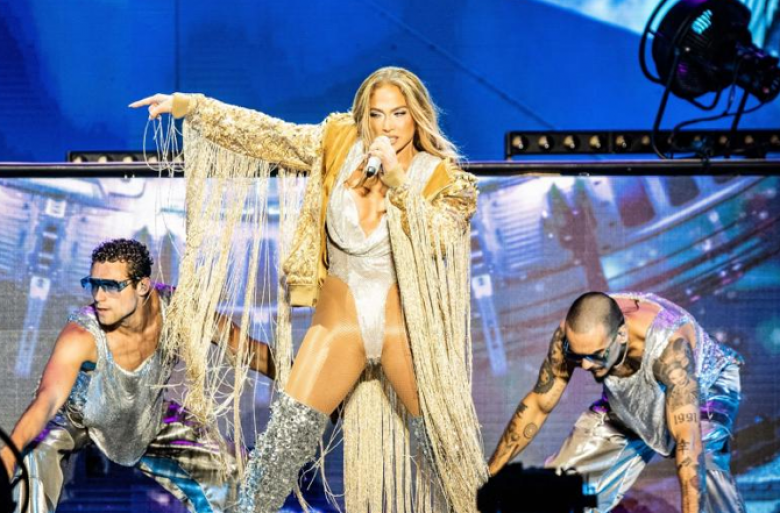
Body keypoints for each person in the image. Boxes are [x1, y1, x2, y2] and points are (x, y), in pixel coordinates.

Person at [130, 66, 487, 513]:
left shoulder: (443, 178)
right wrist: (193, 107)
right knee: (276, 455)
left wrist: (398, 180)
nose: (387, 126)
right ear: (363, 116)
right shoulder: (337, 143)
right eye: (376, 114)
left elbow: (441, 238)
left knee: (446, 455)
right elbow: (267, 134)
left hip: (403, 329)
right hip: (340, 325)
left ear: (417, 116)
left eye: (398, 113)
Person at [0, 239, 275, 513]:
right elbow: (47, 400)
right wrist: (9, 457)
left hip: (144, 415)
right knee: (33, 457)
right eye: (94, 284)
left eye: (111, 286)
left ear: (142, 286)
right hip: (78, 417)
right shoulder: (81, 335)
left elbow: (245, 348)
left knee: (230, 471)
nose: (99, 296)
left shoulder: (180, 312)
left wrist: (291, 374)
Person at [487, 291, 746, 513]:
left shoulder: (670, 348)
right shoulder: (573, 335)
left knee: (707, 464)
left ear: (621, 335)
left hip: (704, 388)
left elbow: (688, 444)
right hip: (628, 395)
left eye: (596, 355)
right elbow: (538, 404)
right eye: (579, 356)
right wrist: (488, 474)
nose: (585, 365)